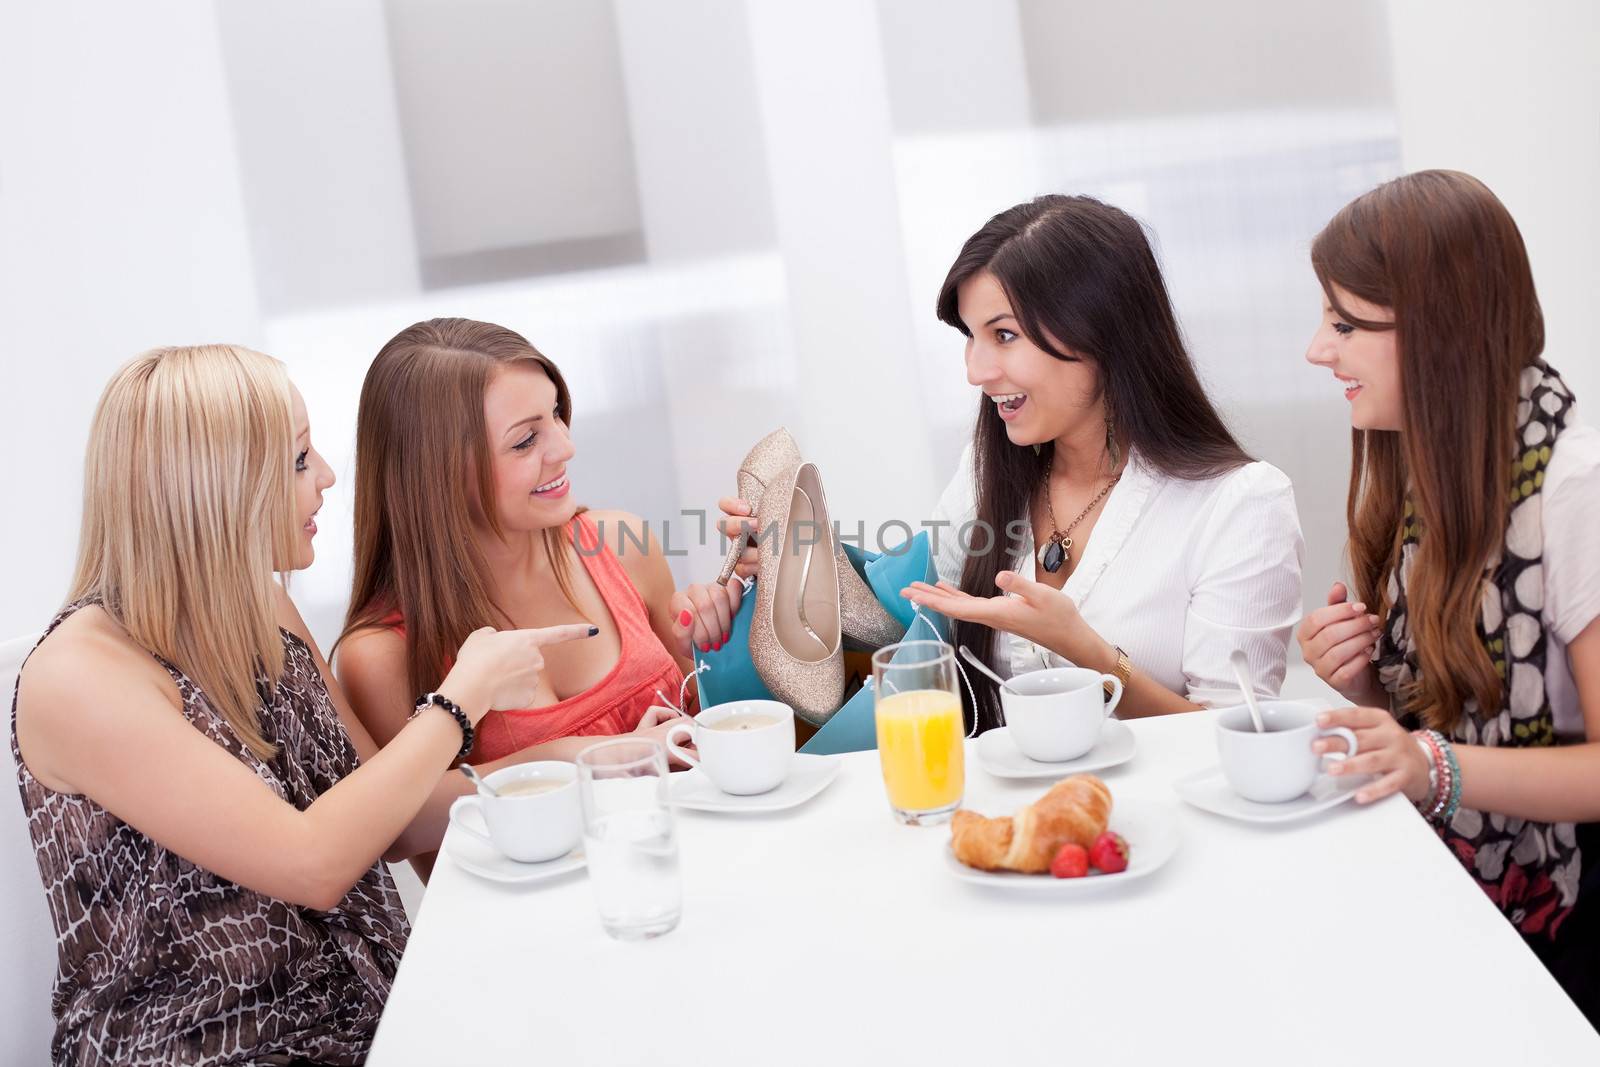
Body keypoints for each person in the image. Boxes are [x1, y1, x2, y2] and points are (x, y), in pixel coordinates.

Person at [12, 345, 584, 1064]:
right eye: (297, 460)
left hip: (376, 1016)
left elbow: (391, 817)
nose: (328, 478)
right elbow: (313, 861)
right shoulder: (80, 678)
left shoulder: (263, 609)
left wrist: (575, 756)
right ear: (213, 486)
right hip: (209, 1048)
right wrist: (462, 697)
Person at [725, 195, 1305, 731]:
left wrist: (1089, 653)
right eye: (972, 338)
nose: (976, 371)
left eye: (1003, 336)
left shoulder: (1242, 503)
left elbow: (1238, 736)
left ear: (1102, 332)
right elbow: (908, 614)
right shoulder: (989, 470)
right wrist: (789, 564)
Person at [1296, 170, 1600, 1023]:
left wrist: (1434, 766)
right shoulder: (1429, 468)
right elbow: (1443, 719)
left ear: (1439, 331)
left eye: (1345, 322)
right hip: (1460, 903)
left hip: (1563, 932)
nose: (1318, 350)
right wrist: (1365, 686)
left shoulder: (1576, 488)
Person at [335, 318, 741, 878]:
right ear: (436, 473)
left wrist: (727, 637)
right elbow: (403, 834)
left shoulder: (619, 543)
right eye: (526, 440)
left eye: (555, 415)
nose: (565, 447)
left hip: (704, 877)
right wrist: (580, 762)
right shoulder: (382, 653)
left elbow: (711, 729)